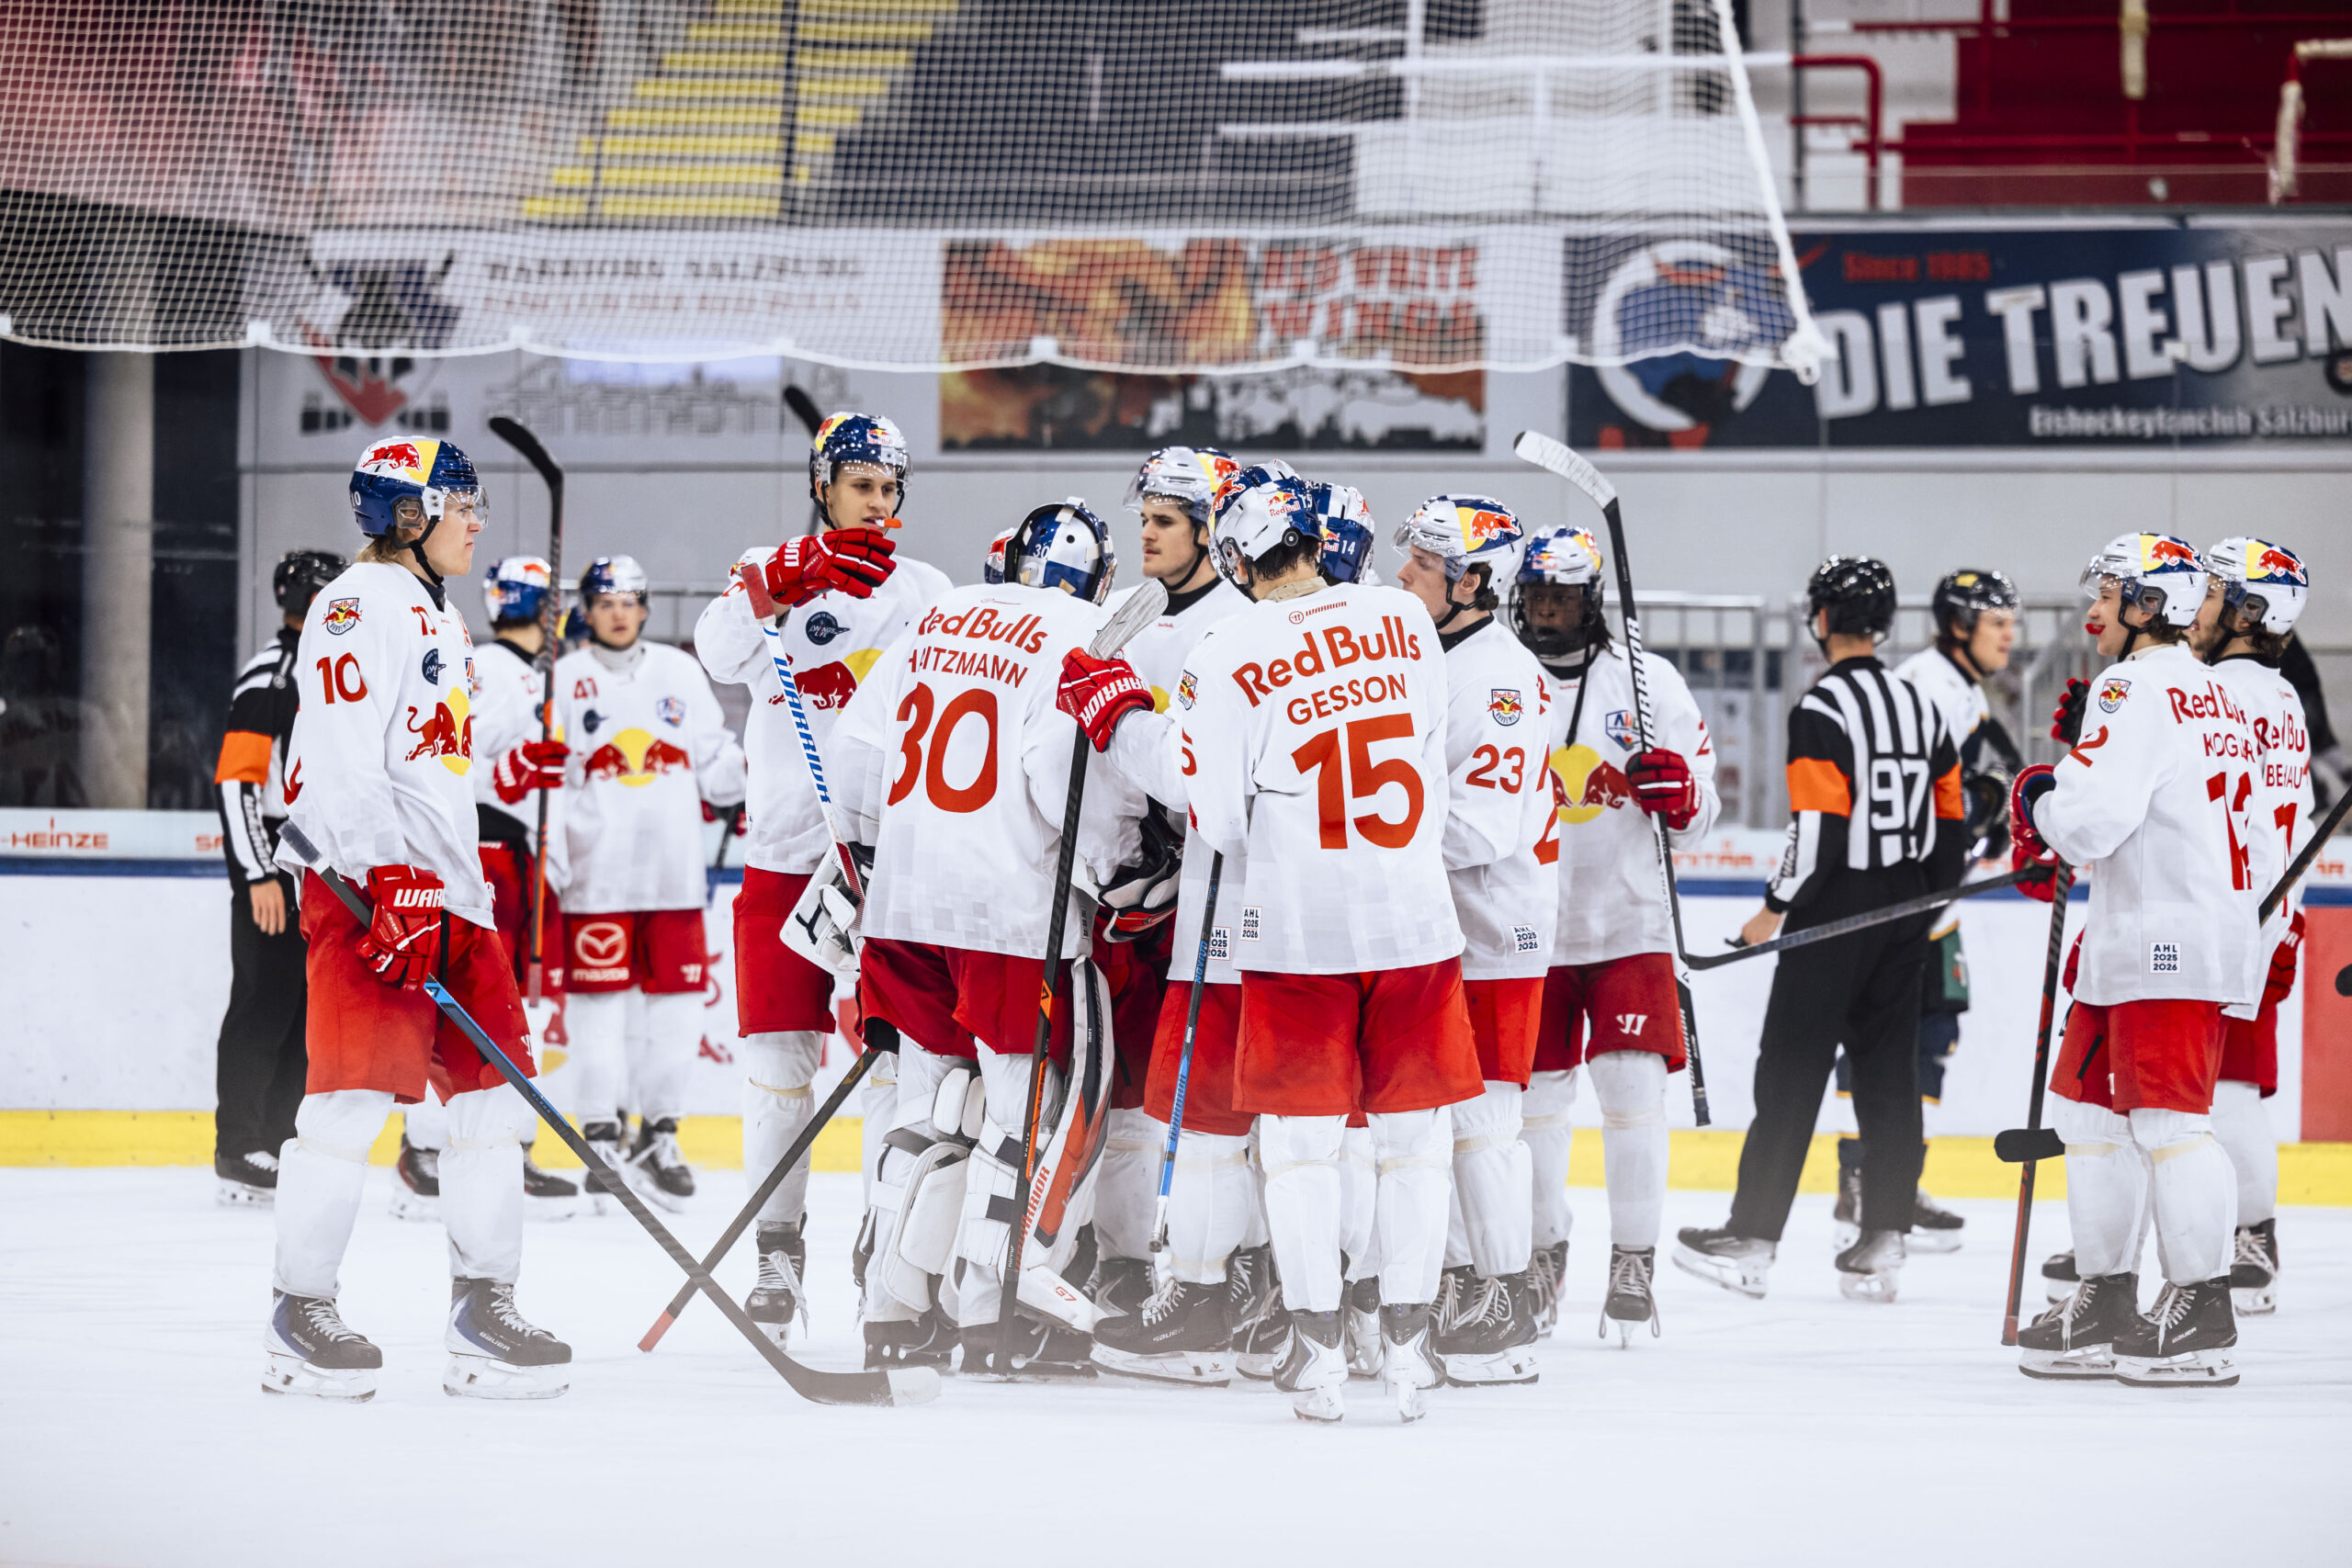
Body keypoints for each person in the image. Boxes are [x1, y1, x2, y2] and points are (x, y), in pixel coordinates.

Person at [1057, 471, 1476, 1424]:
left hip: (1299, 937)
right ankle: (1404, 1355)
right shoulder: (1403, 619)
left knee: (1301, 1153)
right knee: (1413, 1147)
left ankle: (1317, 1359)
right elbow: (1425, 750)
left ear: (1236, 562)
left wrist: (1119, 717)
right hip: (1416, 924)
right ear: (1318, 547)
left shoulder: (1229, 645)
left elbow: (1214, 814)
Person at [265, 437, 568, 1402]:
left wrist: (497, 797)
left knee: (493, 1103)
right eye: (462, 504)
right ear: (409, 515)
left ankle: (483, 1310)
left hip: (451, 893)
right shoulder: (354, 604)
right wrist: (385, 873)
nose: (477, 521)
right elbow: (340, 755)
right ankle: (297, 1312)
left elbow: (432, 765)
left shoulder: (443, 614)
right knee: (348, 1104)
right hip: (371, 890)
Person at [832, 498, 1143, 1377]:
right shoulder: (1082, 632)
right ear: (1098, 579)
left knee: (927, 1105)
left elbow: (856, 752)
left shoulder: (941, 614)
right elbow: (1066, 779)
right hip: (1013, 915)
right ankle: (997, 1311)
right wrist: (1125, 865)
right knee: (1028, 1113)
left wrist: (874, 858)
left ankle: (894, 1310)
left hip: (904, 906)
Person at [694, 411, 943, 1341]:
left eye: (888, 488)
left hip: (885, 868)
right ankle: (777, 1250)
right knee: (775, 1070)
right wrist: (785, 578)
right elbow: (716, 650)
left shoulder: (925, 592)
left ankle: (883, 1251)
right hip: (782, 858)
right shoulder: (769, 572)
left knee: (888, 1066)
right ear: (822, 487)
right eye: (860, 485)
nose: (876, 503)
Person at [1676, 557, 1963, 1305]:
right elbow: (1953, 824)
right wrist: (1920, 910)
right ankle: (1885, 1234)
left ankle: (1754, 1234)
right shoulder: (1922, 705)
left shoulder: (1822, 707)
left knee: (1791, 1072)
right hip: (1906, 907)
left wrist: (1774, 907)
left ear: (1823, 619)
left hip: (1834, 907)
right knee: (1889, 1076)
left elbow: (1819, 826)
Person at [2009, 534, 2259, 1388]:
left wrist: (2040, 798)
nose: (2095, 609)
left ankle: (2203, 1305)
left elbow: (2089, 821)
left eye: (2111, 592)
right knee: (2089, 1118)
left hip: (2164, 939)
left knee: (2167, 1125)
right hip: (2144, 936)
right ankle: (2107, 1294)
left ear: (2151, 603)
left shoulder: (2132, 685)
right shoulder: (2211, 688)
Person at [1513, 524, 1717, 1340]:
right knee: (1534, 1106)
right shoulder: (1497, 675)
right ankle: (1541, 1251)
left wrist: (1683, 795)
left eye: (1562, 596)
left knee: (1633, 1093)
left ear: (1592, 600)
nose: (1546, 609)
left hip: (1631, 923)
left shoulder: (1648, 681)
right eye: (1536, 594)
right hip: (1524, 927)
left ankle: (1634, 1261)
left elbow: (1702, 808)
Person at [1387, 496, 1560, 1384]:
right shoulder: (1434, 655)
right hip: (1444, 925)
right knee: (1442, 1119)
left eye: (1424, 562)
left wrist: (1369, 845)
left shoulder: (1501, 678)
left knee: (1484, 1121)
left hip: (1494, 928)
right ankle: (1465, 1284)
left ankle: (1508, 1297)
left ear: (1474, 581)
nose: (1403, 574)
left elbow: (1481, 828)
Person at [1083, 446, 1249, 1325]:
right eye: (1142, 518)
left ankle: (1225, 1272)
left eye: (1165, 521)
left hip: (1204, 902)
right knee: (1117, 1095)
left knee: (1199, 1106)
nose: (1144, 535)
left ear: (1211, 531)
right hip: (1114, 899)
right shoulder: (1122, 618)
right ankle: (1117, 1259)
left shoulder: (1240, 625)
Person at [551, 555, 746, 1210]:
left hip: (674, 877)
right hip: (594, 880)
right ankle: (600, 1139)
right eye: (605, 602)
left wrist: (752, 769)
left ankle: (658, 1135)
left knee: (677, 1015)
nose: (619, 613)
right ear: (587, 611)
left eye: (629, 601)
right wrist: (553, 855)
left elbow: (714, 760)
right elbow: (549, 781)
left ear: (644, 608)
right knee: (598, 1017)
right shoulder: (564, 679)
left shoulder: (679, 671)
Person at [1858, 570, 2024, 1254]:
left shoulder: (1959, 687)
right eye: (1997, 625)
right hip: (1904, 898)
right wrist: (1981, 806)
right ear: (1959, 625)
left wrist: (1990, 813)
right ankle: (1864, 1180)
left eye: (2012, 625)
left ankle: (1894, 1180)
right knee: (1891, 1039)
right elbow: (1907, 792)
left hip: (1935, 900)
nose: (2009, 638)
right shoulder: (1930, 686)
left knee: (1930, 1033)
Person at [2189, 537, 2312, 1317]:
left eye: (2210, 594)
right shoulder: (2282, 695)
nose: (2194, 608)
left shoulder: (2221, 694)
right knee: (2218, 1088)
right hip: (2264, 917)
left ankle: (2252, 1237)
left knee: (2223, 1089)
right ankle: (2240, 1235)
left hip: (2233, 920)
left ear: (2246, 613)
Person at [211, 547, 345, 1205]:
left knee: (303, 1011)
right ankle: (239, 1146)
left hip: (315, 865)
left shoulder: (326, 669)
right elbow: (236, 782)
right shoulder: (271, 673)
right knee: (263, 1003)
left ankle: (277, 1139)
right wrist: (257, 874)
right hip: (275, 860)